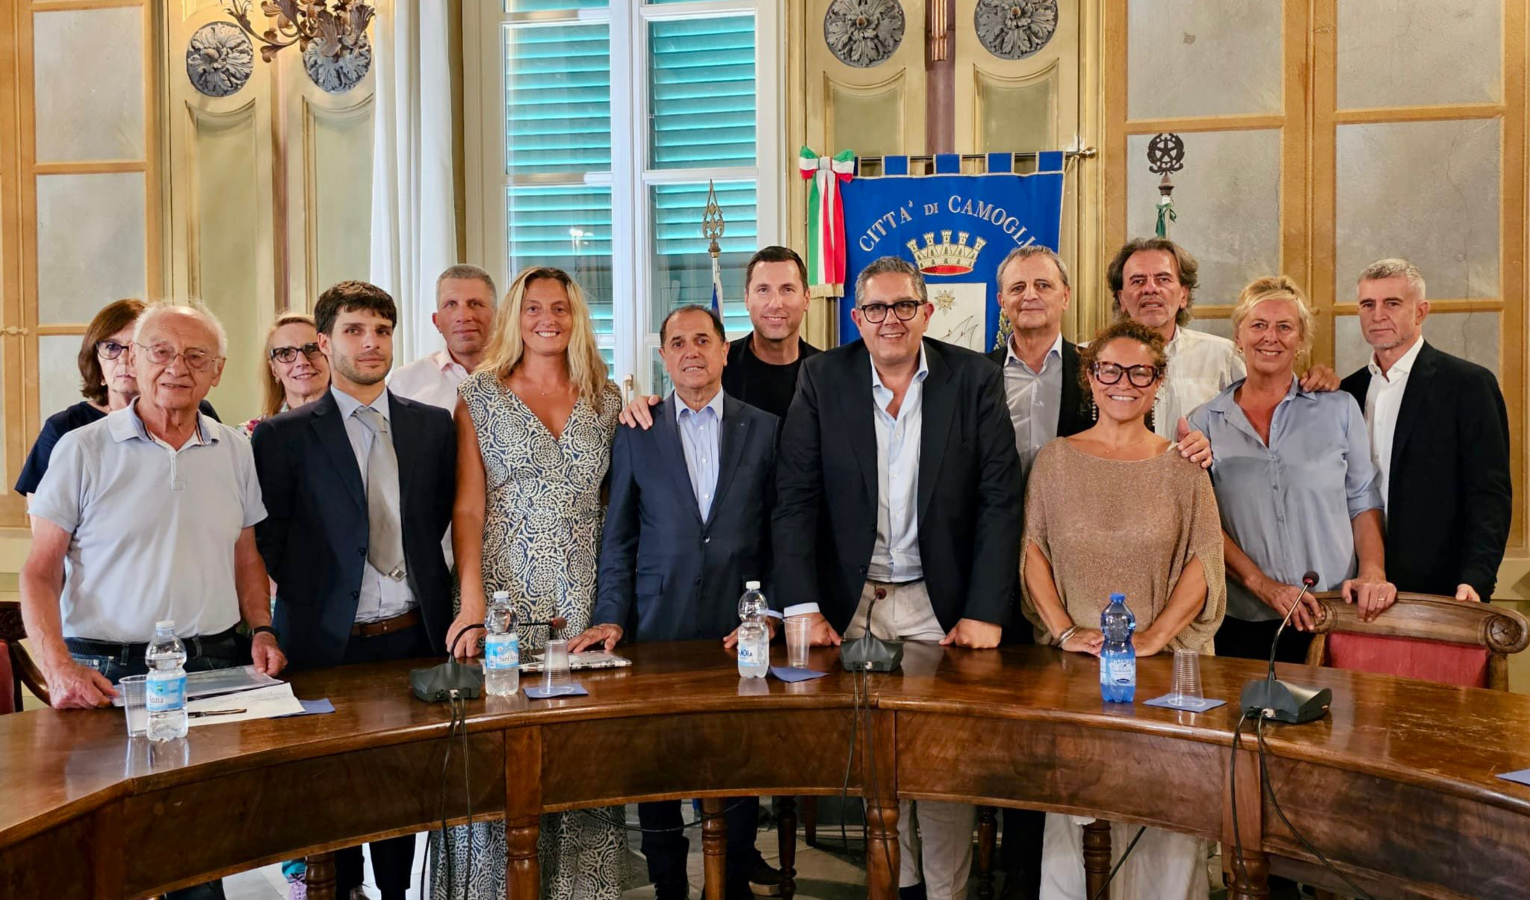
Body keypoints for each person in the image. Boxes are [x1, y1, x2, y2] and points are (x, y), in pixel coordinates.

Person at [773, 256, 1022, 900]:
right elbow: (795, 498)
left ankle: (945, 890)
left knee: (941, 765)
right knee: (874, 765)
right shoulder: (822, 378)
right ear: (856, 318)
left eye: (904, 306)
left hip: (939, 604)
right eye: (877, 309)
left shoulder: (972, 378)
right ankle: (897, 886)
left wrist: (985, 609)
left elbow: (1000, 498)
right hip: (852, 604)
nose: (891, 319)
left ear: (926, 312)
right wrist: (800, 605)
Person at [19, 299, 283, 900]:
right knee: (107, 850)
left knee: (197, 848)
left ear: (217, 372)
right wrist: (57, 667)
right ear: (132, 361)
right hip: (103, 672)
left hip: (210, 665)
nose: (176, 368)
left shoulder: (235, 449)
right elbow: (38, 573)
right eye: (160, 351)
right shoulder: (81, 449)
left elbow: (246, 556)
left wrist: (263, 630)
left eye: (196, 356)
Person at [985, 245, 1208, 900]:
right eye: (1110, 372)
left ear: (1157, 383)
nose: (1123, 384)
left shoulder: (1183, 464)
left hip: (1161, 672)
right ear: (1090, 378)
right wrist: (1060, 631)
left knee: (1160, 825)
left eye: (1140, 375)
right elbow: (1033, 551)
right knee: (1075, 820)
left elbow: (1203, 560)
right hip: (1075, 674)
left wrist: (1156, 637)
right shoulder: (1054, 461)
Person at [252, 281, 455, 900]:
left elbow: (438, 522)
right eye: (354, 330)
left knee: (400, 795)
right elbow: (269, 538)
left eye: (382, 331)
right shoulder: (282, 435)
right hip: (324, 643)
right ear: (323, 342)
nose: (371, 343)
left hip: (410, 639)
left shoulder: (433, 426)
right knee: (330, 799)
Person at [431, 267, 626, 900]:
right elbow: (467, 509)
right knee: (498, 774)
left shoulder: (607, 398)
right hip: (505, 607)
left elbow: (616, 507)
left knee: (580, 770)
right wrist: (470, 606)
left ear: (577, 318)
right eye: (535, 307)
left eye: (561, 309)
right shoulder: (482, 396)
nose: (548, 319)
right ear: (516, 316)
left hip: (582, 606)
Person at [572, 304, 779, 900]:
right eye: (678, 342)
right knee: (657, 767)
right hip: (655, 626)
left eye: (704, 340)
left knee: (735, 762)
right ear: (663, 356)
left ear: (724, 351)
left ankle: (733, 880)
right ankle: (668, 885)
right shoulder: (637, 431)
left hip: (736, 629)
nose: (691, 351)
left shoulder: (763, 427)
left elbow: (780, 531)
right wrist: (609, 615)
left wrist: (767, 609)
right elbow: (619, 538)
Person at [1187, 276, 1396, 664]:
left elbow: (1362, 498)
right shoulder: (1204, 422)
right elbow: (1203, 523)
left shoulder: (1339, 408)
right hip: (1245, 619)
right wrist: (1261, 585)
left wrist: (1372, 572)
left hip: (1334, 613)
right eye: (1259, 325)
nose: (1271, 337)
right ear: (1238, 336)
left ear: (1301, 340)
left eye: (1285, 327)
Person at [1339, 258, 1511, 602]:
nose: (1378, 314)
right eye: (1367, 304)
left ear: (1421, 311)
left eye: (1392, 303)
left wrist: (1477, 577)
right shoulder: (1348, 391)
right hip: (1356, 582)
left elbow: (1489, 494)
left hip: (1443, 585)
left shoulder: (1468, 384)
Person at [1106, 238, 1337, 438]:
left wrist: (1316, 382)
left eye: (1163, 279)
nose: (1150, 289)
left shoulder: (1221, 355)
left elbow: (1273, 401)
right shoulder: (1092, 359)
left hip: (1206, 484)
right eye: (1138, 281)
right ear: (1122, 299)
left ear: (1184, 295)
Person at [16, 298, 220, 497]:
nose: (124, 359)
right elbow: (43, 520)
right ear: (95, 358)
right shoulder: (65, 427)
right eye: (111, 347)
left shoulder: (197, 411)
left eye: (133, 348)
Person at [620, 245, 820, 425]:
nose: (775, 303)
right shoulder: (713, 363)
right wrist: (645, 409)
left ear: (806, 299)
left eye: (787, 289)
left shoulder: (826, 372)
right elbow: (682, 418)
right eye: (763, 290)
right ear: (747, 299)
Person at [388, 264, 498, 411]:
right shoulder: (404, 383)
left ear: (498, 317)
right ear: (436, 321)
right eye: (451, 304)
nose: (463, 317)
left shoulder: (527, 377)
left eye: (475, 304)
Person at [242, 312, 330, 437]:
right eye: (285, 353)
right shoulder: (248, 436)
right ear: (274, 370)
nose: (302, 362)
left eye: (312, 349)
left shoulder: (356, 423)